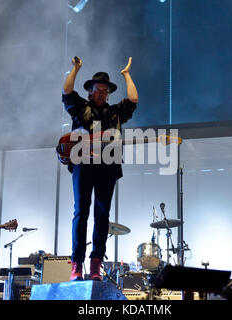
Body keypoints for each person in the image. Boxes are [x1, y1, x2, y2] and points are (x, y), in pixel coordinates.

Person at [62, 57, 138, 281]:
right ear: (90, 91)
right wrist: (76, 69)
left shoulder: (115, 113)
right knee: (81, 212)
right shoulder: (81, 109)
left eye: (106, 91)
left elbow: (133, 99)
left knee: (102, 215)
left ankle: (96, 264)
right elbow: (67, 91)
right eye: (98, 90)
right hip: (84, 166)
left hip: (108, 167)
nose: (102, 94)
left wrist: (126, 75)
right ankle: (77, 263)